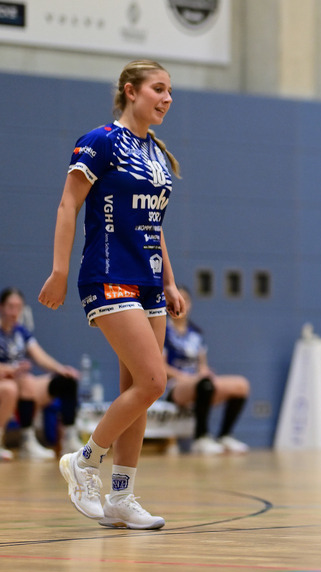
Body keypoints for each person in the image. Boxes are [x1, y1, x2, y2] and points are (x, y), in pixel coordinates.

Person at [39, 59, 184, 531]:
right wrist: (60, 270)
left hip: (149, 280)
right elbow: (68, 203)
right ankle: (84, 461)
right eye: (158, 89)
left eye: (169, 91)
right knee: (154, 381)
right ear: (130, 91)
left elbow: (154, 223)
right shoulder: (101, 141)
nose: (166, 98)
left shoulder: (156, 151)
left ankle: (121, 496)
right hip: (108, 273)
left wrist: (169, 281)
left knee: (137, 392)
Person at [165, 287, 250, 455]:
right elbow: (160, 367)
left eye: (185, 299)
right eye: (177, 298)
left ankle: (225, 435)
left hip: (197, 382)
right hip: (173, 386)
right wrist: (187, 378)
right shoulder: (163, 330)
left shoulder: (196, 333)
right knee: (203, 384)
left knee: (241, 385)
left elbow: (202, 364)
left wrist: (205, 372)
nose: (181, 302)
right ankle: (201, 437)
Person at [0, 287, 81, 459]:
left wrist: (62, 369)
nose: (14, 312)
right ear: (1, 307)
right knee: (13, 387)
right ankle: (24, 441)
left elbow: (40, 357)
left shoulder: (21, 332)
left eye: (18, 307)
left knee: (66, 381)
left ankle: (69, 438)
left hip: (22, 383)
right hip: (5, 384)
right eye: (10, 307)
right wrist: (10, 370)